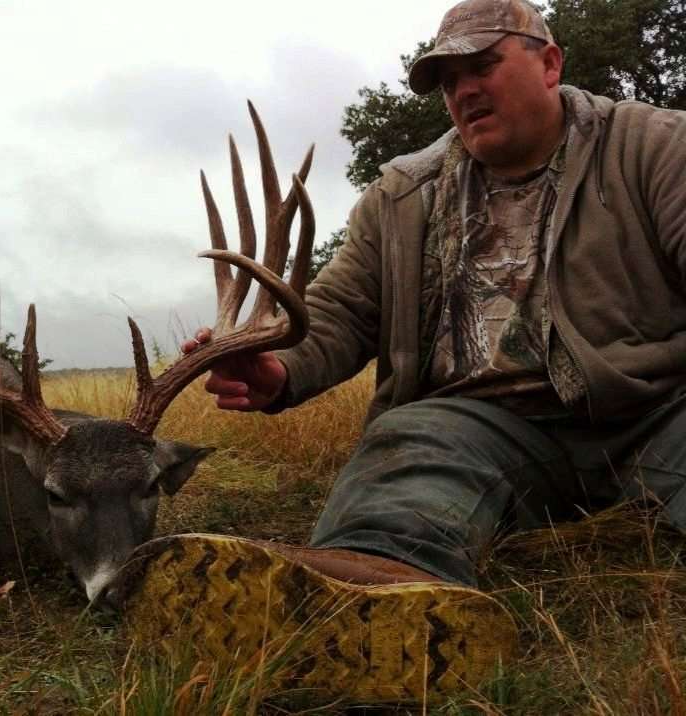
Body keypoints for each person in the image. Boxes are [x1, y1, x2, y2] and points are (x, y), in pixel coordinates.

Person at [114, 0, 686, 703]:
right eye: (448, 81)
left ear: (549, 63)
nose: (464, 91)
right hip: (480, 428)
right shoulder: (404, 193)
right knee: (407, 445)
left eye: (483, 66)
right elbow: (341, 310)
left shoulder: (655, 147)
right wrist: (279, 368)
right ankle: (365, 596)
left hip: (654, 410)